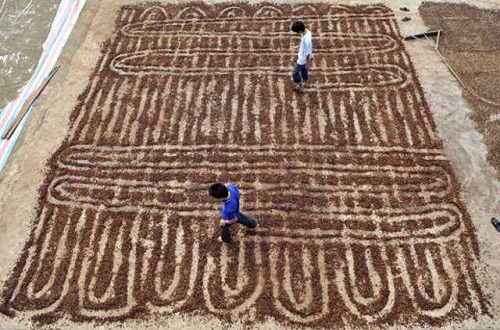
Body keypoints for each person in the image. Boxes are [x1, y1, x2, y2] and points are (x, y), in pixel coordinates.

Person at [291, 20, 313, 91]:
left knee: (295, 72)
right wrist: (299, 46)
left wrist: (308, 63)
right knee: (303, 69)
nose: (297, 33)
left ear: (300, 30)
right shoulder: (306, 31)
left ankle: (298, 83)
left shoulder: (307, 40)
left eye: (297, 32)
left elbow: (308, 53)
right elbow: (302, 41)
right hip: (303, 56)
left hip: (302, 58)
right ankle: (305, 81)